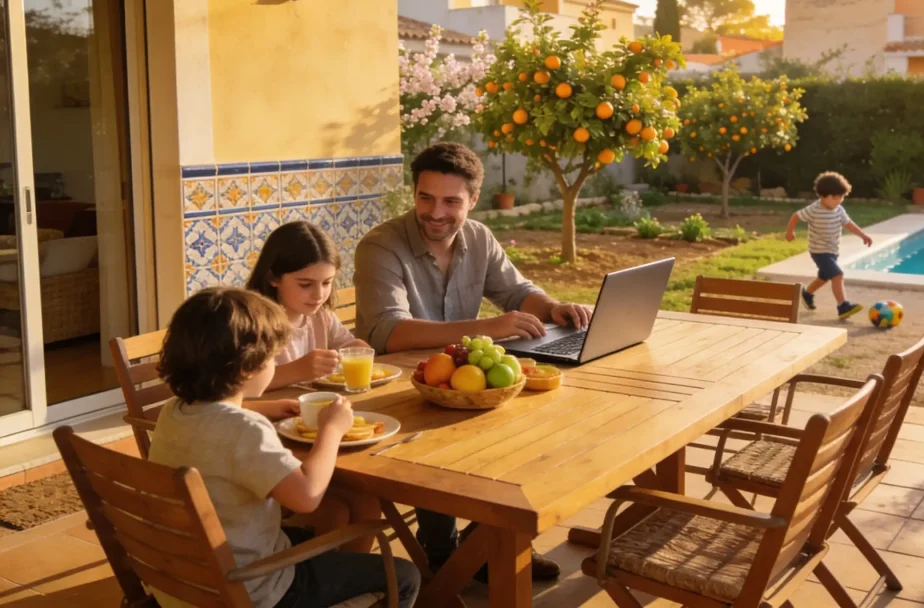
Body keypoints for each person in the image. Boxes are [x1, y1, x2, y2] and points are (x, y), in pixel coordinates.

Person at [354, 142, 593, 582]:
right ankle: (443, 555)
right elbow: (389, 333)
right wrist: (485, 330)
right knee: (442, 446)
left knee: (531, 429)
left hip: (465, 381)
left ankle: (486, 542)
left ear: (473, 200)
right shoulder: (381, 247)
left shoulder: (478, 237)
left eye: (451, 201)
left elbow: (518, 293)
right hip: (401, 390)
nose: (436, 212)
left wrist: (553, 306)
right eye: (426, 197)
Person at [148, 288, 421, 608]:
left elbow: (215, 425)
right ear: (249, 368)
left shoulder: (174, 410)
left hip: (184, 583)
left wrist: (267, 407)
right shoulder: (245, 431)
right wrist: (332, 429)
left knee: (338, 513)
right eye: (271, 358)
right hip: (253, 588)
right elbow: (306, 496)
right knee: (404, 576)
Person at [247, 221, 372, 390]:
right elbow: (239, 388)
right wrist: (297, 371)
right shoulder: (252, 324)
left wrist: (356, 350)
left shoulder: (322, 316)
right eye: (305, 284)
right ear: (273, 278)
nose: (319, 295)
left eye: (327, 283)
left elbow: (347, 346)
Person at [785, 171, 873, 320]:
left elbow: (848, 224)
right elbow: (796, 216)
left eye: (842, 197)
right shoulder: (814, 209)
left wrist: (862, 235)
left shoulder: (839, 210)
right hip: (819, 251)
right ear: (822, 196)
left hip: (832, 251)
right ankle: (842, 306)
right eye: (835, 197)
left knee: (823, 277)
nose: (839, 200)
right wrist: (789, 232)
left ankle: (807, 294)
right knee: (837, 275)